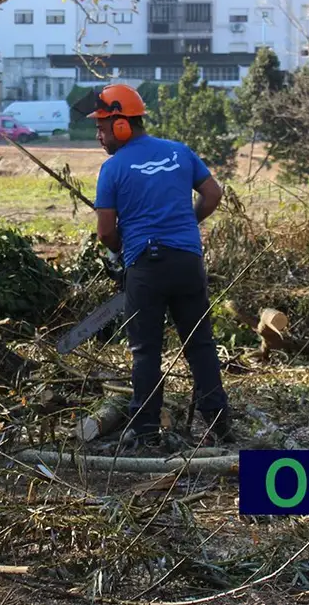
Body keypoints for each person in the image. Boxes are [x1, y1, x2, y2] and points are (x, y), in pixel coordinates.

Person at [88, 83, 233, 447]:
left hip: (147, 268)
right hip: (187, 262)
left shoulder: (113, 168)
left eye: (102, 128)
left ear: (121, 125)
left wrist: (123, 250)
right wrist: (186, 225)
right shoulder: (179, 152)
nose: (99, 136)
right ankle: (220, 425)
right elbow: (213, 193)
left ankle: (146, 429)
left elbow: (106, 232)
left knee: (146, 350)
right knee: (200, 345)